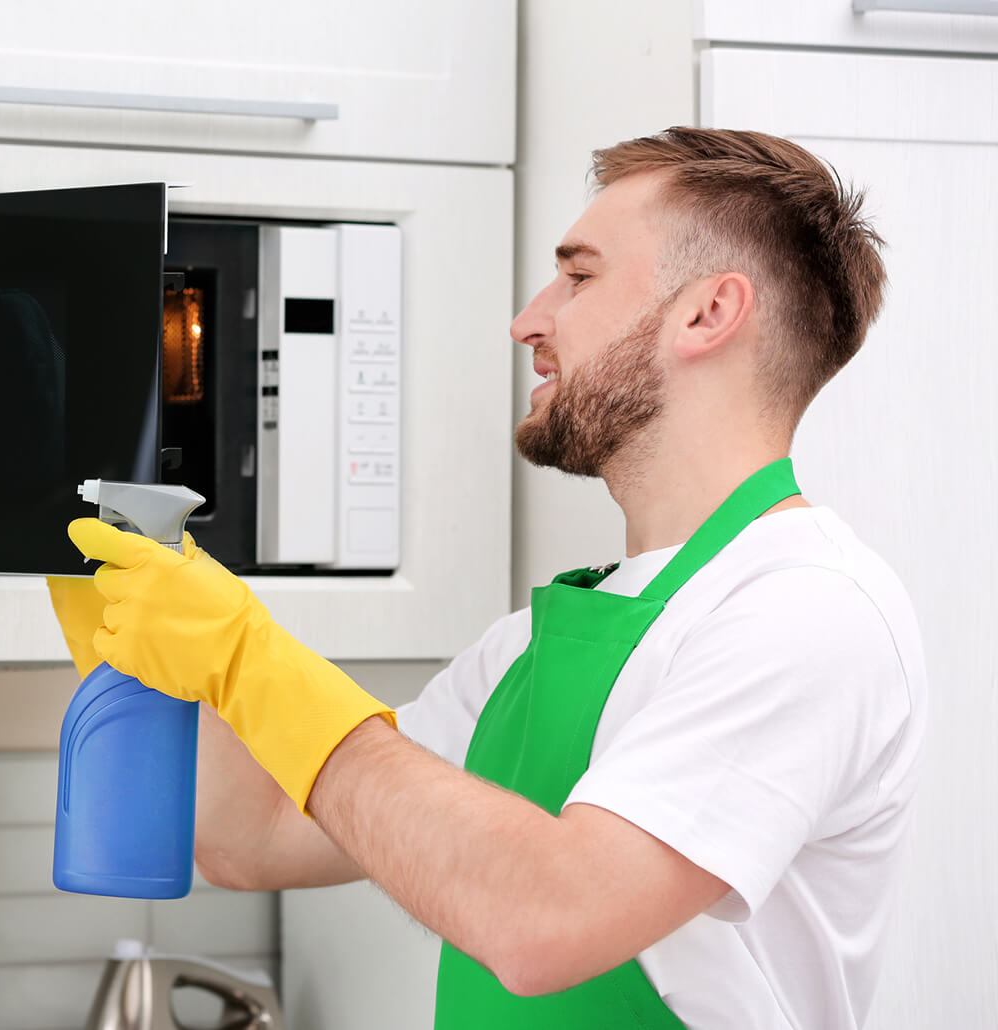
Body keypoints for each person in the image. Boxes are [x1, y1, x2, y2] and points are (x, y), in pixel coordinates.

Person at [48, 127, 926, 1029]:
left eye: (579, 277)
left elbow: (550, 920)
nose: (529, 321)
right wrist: (126, 582)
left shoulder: (808, 612)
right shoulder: (531, 648)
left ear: (707, 313)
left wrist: (248, 658)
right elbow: (254, 836)